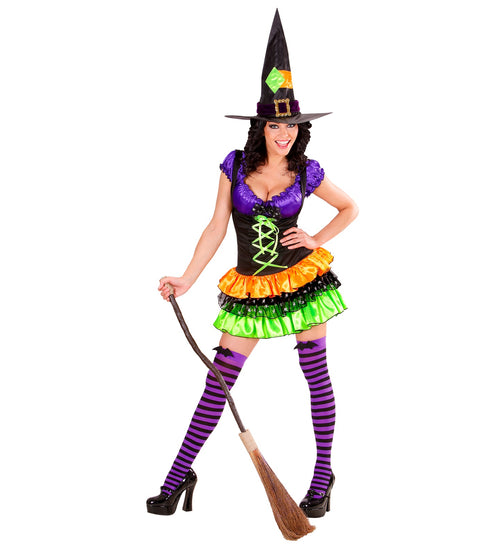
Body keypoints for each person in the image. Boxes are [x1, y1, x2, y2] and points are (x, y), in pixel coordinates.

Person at [146, 10, 358, 519]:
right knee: (218, 383)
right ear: (260, 126)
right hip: (249, 289)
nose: (284, 134)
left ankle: (323, 476)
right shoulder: (235, 166)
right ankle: (177, 478)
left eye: (292, 126)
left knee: (316, 376)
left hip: (302, 284)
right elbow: (216, 226)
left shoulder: (306, 172)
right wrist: (187, 278)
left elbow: (350, 208)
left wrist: (315, 239)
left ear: (300, 129)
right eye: (275, 125)